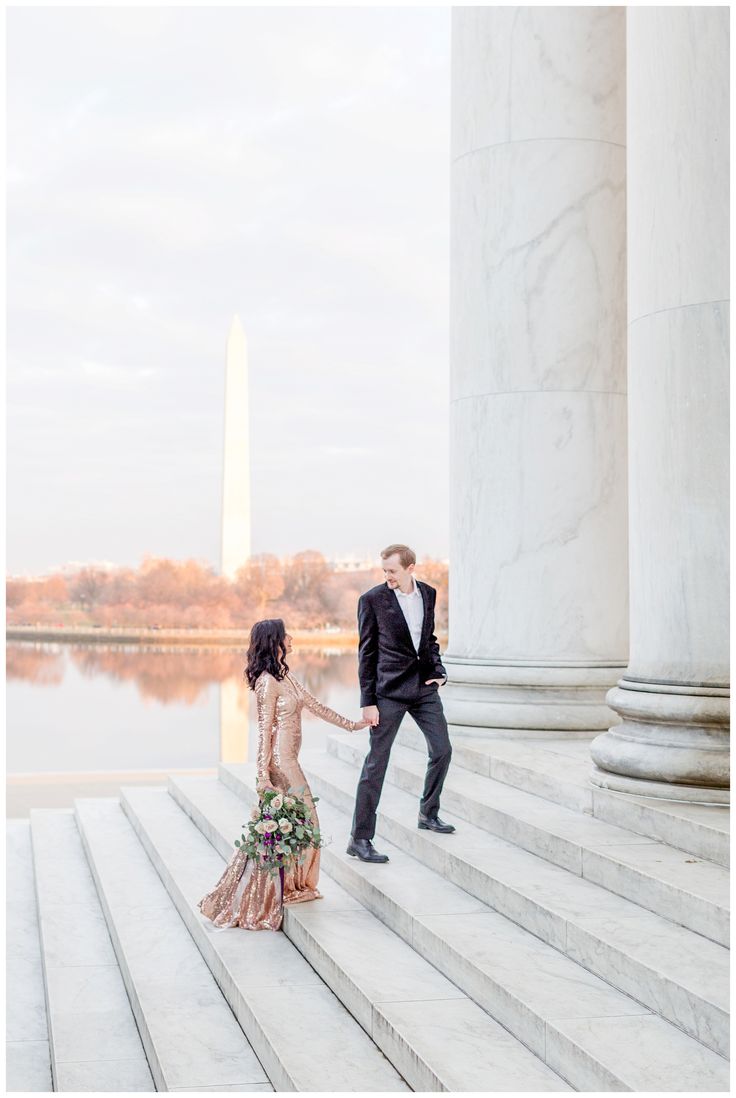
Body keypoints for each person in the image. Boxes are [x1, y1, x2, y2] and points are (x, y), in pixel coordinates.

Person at [199, 618, 369, 930]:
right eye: (286, 633)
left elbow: (317, 707)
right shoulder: (267, 682)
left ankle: (292, 884)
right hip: (281, 764)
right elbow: (264, 731)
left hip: (291, 759)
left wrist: (353, 725)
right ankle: (273, 891)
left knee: (299, 822)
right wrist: (262, 775)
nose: (292, 637)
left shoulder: (285, 676)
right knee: (302, 820)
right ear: (275, 640)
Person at [347, 544, 455, 864]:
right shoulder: (371, 600)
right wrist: (368, 702)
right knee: (376, 764)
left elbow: (429, 639)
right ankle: (360, 838)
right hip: (388, 693)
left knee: (442, 750)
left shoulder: (429, 594)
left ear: (410, 568)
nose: (387, 576)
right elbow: (366, 654)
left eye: (392, 570)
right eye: (384, 571)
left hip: (423, 690)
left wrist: (438, 671)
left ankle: (428, 812)